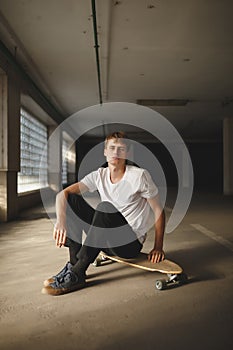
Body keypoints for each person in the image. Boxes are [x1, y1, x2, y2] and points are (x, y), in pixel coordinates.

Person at [42, 131, 165, 296]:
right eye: (112, 148)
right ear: (105, 151)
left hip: (128, 245)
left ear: (127, 153)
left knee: (105, 207)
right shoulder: (99, 175)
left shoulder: (139, 176)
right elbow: (62, 195)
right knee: (71, 199)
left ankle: (78, 272)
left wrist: (158, 247)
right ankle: (73, 265)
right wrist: (61, 221)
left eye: (121, 149)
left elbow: (158, 210)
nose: (116, 153)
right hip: (105, 241)